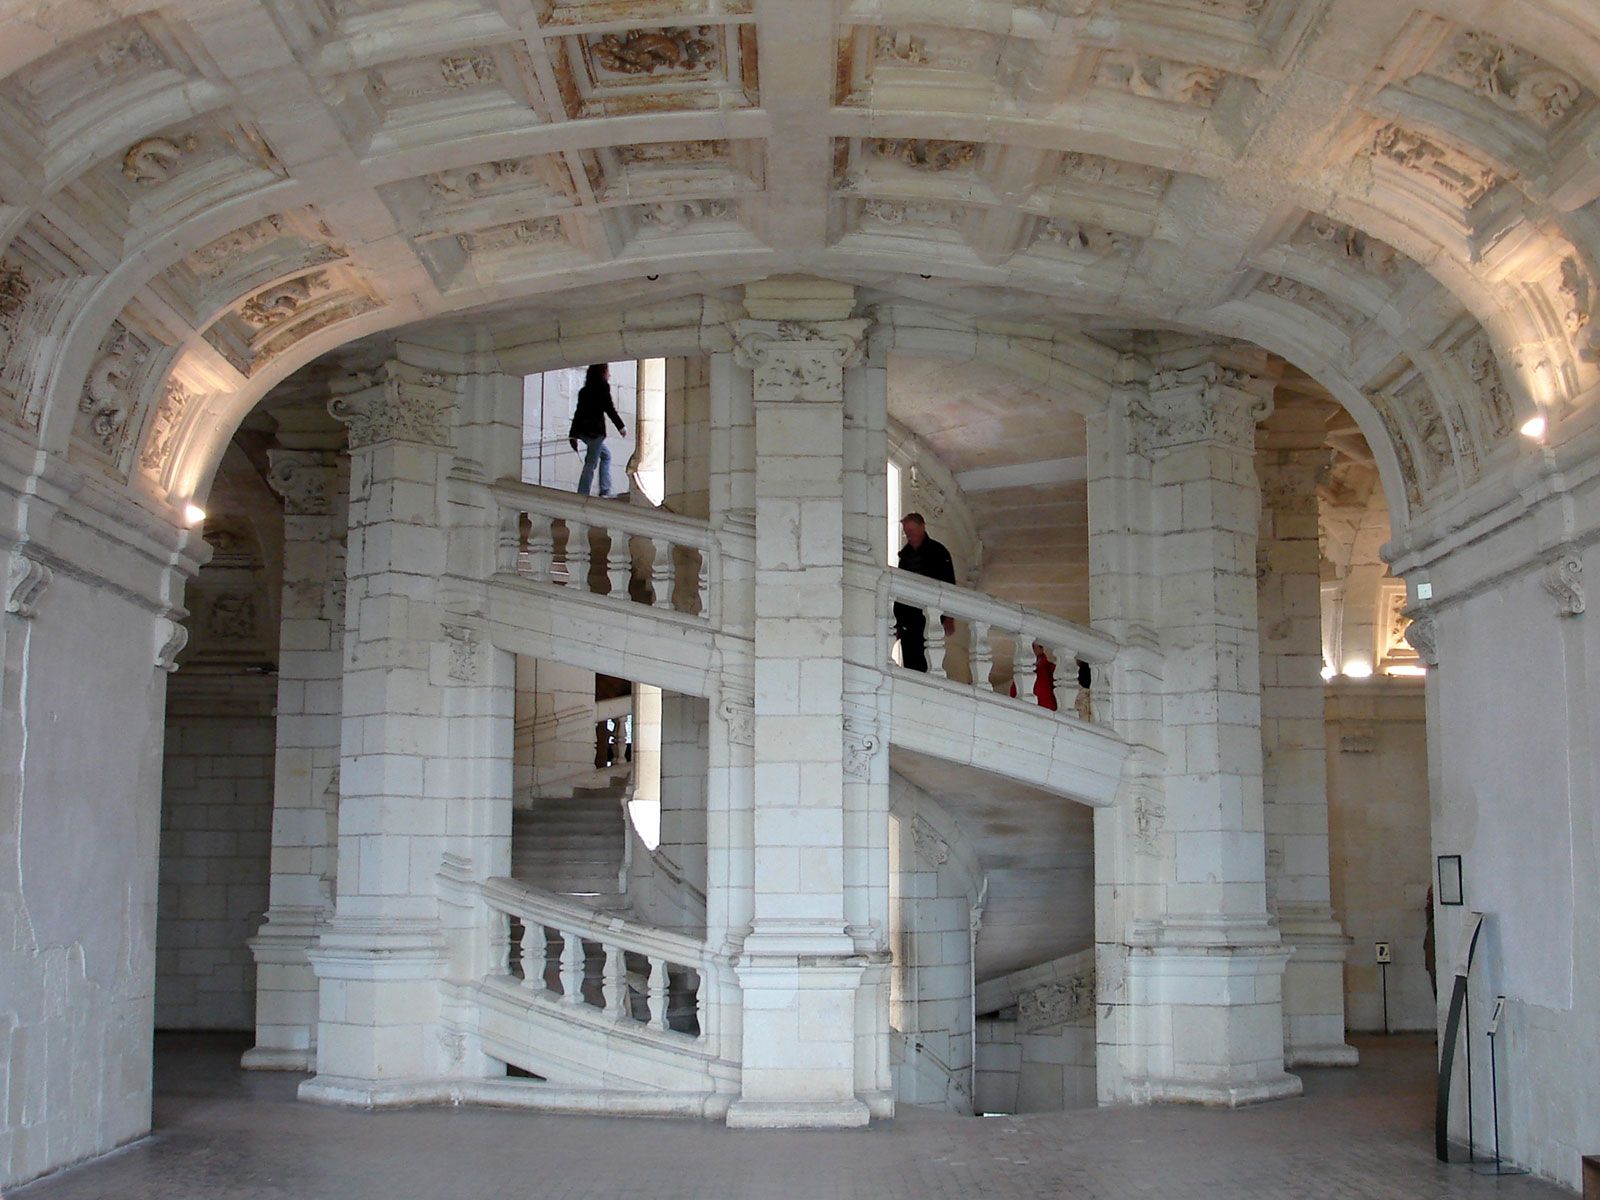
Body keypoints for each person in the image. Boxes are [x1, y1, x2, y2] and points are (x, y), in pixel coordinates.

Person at [894, 512, 956, 672]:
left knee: (928, 659)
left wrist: (949, 617)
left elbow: (949, 584)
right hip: (908, 617)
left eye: (912, 531)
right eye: (906, 532)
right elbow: (900, 589)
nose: (909, 535)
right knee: (910, 661)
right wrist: (897, 623)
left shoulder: (938, 552)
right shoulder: (905, 556)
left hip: (930, 615)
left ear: (922, 528)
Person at [568, 364, 627, 497]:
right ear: (602, 372)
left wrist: (573, 435)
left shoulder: (584, 391)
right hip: (595, 432)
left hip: (583, 431)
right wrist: (621, 427)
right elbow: (609, 408)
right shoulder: (602, 387)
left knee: (605, 455)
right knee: (591, 463)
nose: (609, 375)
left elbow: (578, 413)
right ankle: (586, 493)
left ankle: (604, 488)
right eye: (607, 372)